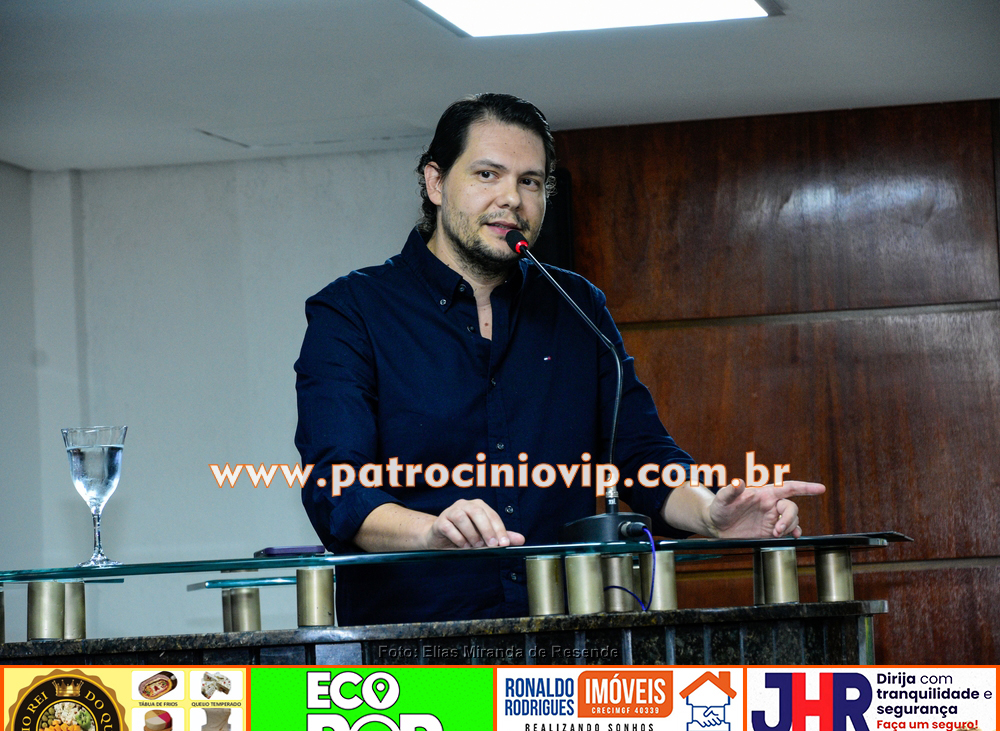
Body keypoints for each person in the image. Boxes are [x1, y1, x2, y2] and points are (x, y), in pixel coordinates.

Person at [294, 92, 825, 626]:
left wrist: (711, 515)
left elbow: (641, 454)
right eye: (487, 174)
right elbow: (337, 486)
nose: (511, 199)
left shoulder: (577, 305)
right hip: (412, 644)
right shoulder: (351, 311)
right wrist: (429, 531)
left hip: (564, 637)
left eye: (530, 181)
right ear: (435, 182)